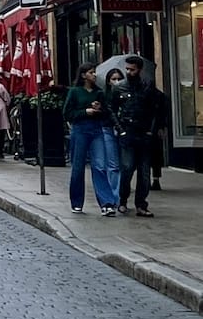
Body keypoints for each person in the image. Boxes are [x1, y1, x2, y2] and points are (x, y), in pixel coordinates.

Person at [63, 63, 116, 216]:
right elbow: (67, 113)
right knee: (78, 167)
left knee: (100, 165)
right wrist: (85, 112)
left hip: (96, 130)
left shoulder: (99, 93)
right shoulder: (75, 92)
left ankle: (106, 203)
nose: (94, 75)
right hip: (80, 130)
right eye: (91, 72)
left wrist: (99, 109)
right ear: (83, 75)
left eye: (94, 72)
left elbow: (107, 113)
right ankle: (76, 202)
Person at [110, 54, 159, 217]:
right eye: (127, 69)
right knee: (127, 168)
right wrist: (120, 129)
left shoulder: (147, 86)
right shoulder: (119, 88)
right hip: (128, 131)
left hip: (143, 131)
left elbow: (154, 110)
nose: (129, 72)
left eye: (132, 69)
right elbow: (112, 110)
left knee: (144, 172)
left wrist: (151, 130)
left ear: (139, 70)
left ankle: (141, 204)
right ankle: (123, 200)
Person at [101, 68, 125, 208]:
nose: (117, 82)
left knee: (124, 165)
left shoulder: (126, 94)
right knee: (113, 165)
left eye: (119, 79)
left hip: (123, 131)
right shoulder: (105, 95)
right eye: (113, 79)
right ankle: (115, 198)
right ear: (108, 81)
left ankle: (120, 195)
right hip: (108, 130)